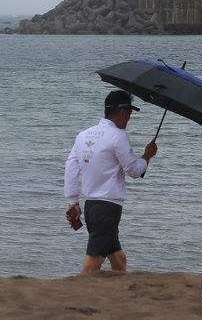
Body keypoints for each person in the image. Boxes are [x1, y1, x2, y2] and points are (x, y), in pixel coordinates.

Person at [64, 90, 158, 274]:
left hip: (91, 208)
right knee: (91, 266)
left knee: (118, 259)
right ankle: (73, 296)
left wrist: (73, 201)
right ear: (123, 113)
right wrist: (147, 156)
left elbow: (71, 167)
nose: (129, 119)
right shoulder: (119, 136)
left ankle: (121, 291)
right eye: (130, 114)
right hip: (108, 209)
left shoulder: (83, 135)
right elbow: (133, 171)